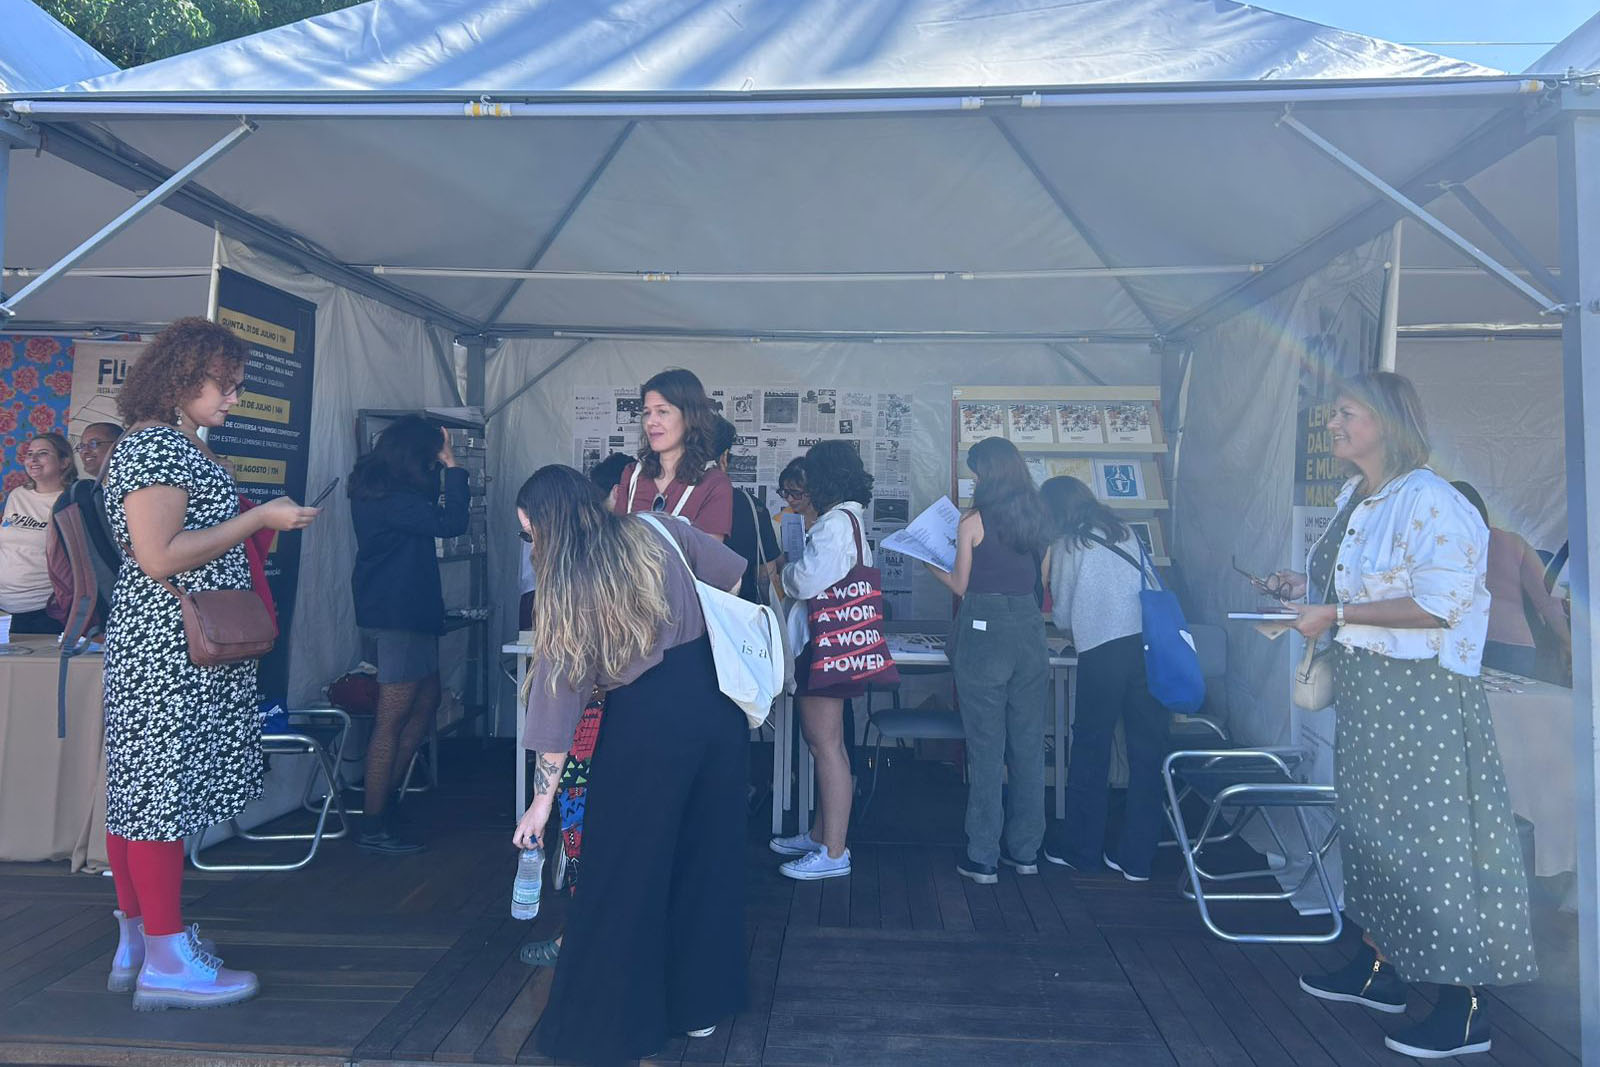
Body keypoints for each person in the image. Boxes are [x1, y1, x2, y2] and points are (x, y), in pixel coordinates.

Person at [1271, 372, 1535, 1059]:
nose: (1333, 424)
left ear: (1386, 422)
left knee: (1434, 845)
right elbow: (1359, 582)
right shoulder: (1357, 495)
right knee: (1373, 834)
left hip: (1422, 697)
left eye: (1346, 413)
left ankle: (1465, 1005)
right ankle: (1378, 967)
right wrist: (1305, 588)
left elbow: (1440, 604)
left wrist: (1335, 612)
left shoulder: (1432, 499)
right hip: (1371, 693)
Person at [99, 316, 319, 1010]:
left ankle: (140, 942)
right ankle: (165, 958)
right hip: (168, 649)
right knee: (156, 800)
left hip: (171, 645)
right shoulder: (156, 447)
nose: (234, 398)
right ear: (181, 380)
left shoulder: (169, 444)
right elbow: (158, 555)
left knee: (140, 797)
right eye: (224, 385)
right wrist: (258, 519)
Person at [511, 465, 747, 1063]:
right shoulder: (660, 529)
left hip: (645, 724)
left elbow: (558, 703)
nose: (531, 546)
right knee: (704, 858)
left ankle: (614, 1028)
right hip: (716, 708)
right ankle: (698, 1005)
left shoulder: (568, 586)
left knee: (622, 872)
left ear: (548, 527)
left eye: (529, 533)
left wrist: (541, 802)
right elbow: (732, 575)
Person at [925, 437, 1050, 884]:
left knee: (986, 747)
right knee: (1028, 745)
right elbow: (1040, 583)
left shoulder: (972, 521)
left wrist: (929, 564)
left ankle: (983, 856)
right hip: (1030, 631)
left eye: (975, 471)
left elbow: (961, 585)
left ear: (987, 474)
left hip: (985, 630)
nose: (973, 478)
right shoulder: (1040, 517)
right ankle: (1027, 851)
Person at [348, 415, 469, 855]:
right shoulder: (393, 500)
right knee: (393, 717)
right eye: (431, 457)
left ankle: (385, 802)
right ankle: (373, 820)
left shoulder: (381, 488)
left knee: (425, 701)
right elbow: (452, 522)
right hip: (399, 613)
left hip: (404, 610)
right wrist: (453, 465)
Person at [1038, 475, 1168, 882]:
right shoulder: (1123, 531)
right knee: (1146, 754)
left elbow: (1063, 615)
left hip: (1103, 652)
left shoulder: (1069, 543)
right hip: (1148, 648)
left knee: (1092, 747)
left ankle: (1082, 850)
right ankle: (1137, 859)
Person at [768, 440, 874, 880]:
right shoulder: (848, 519)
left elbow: (806, 581)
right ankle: (821, 835)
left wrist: (784, 571)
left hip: (824, 644)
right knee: (828, 745)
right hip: (835, 642)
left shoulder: (833, 524)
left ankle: (833, 851)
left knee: (825, 746)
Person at [1451, 480, 1572, 682]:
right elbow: (1547, 598)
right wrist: (1567, 642)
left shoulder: (1441, 546)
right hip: (1516, 645)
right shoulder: (1513, 542)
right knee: (1515, 701)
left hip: (1464, 643)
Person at [611, 369, 733, 540]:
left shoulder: (714, 483)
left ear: (690, 417)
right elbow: (615, 544)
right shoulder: (632, 475)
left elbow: (708, 554)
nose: (651, 422)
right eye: (647, 412)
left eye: (662, 411)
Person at [1, 433, 77, 634]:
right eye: (29, 454)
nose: (33, 459)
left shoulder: (71, 500)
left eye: (43, 453)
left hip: (45, 610)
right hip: (5, 608)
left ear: (64, 462)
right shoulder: (18, 495)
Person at [712, 416, 779, 604]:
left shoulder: (663, 502)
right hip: (738, 612)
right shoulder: (752, 506)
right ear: (724, 457)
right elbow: (765, 575)